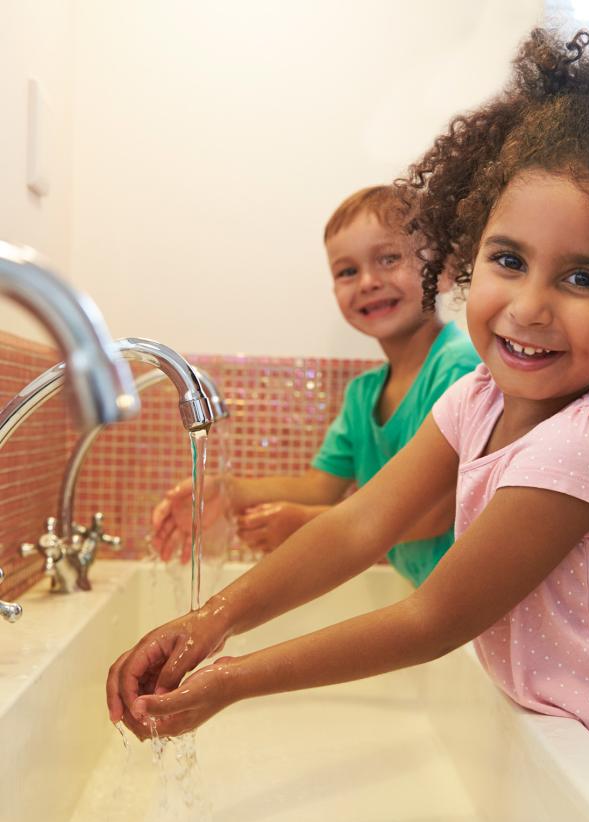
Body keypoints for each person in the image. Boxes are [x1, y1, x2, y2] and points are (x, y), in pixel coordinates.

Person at [109, 28, 589, 822]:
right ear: (466, 259)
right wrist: (211, 619)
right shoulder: (476, 398)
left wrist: (232, 678)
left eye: (583, 278)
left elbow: (434, 617)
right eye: (509, 259)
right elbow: (357, 527)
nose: (529, 306)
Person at [151, 185, 480, 586]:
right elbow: (320, 486)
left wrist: (307, 524)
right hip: (431, 597)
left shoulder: (460, 368)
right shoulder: (363, 395)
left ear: (444, 271)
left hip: (474, 600)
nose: (367, 281)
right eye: (347, 271)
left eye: (389, 258)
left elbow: (434, 512)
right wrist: (227, 492)